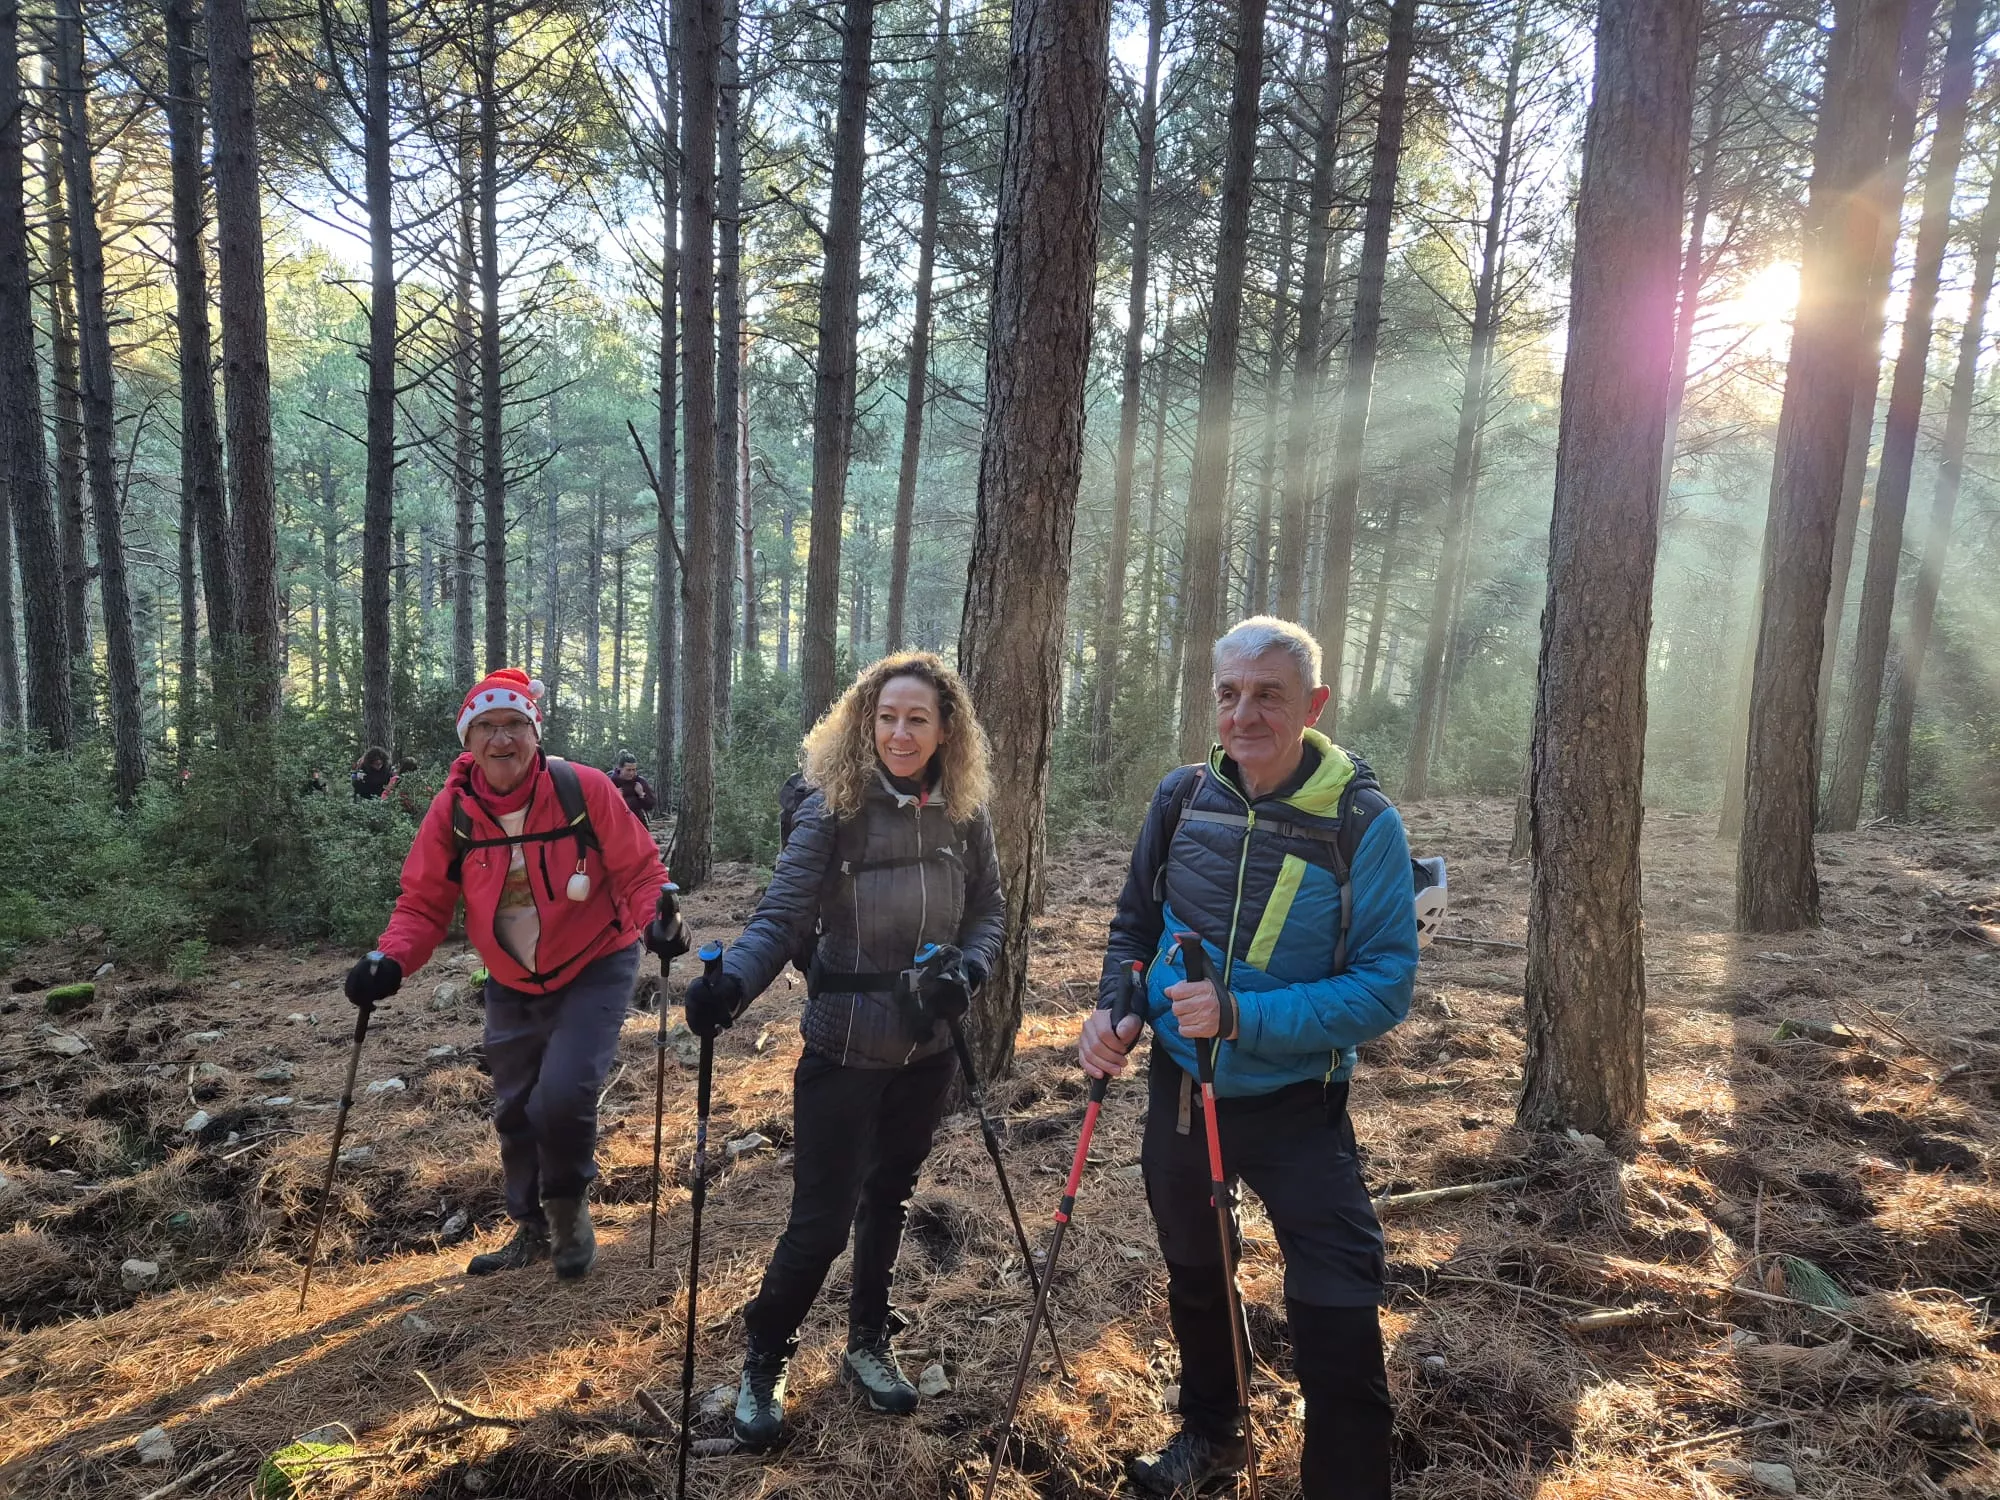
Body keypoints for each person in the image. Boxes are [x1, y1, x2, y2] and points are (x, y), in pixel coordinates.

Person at [1081, 616, 1416, 1500]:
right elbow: (1133, 930)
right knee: (1197, 1272)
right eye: (1229, 694)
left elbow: (1385, 988)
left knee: (1336, 1300)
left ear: (1313, 704)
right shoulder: (1182, 797)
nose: (1245, 714)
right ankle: (1213, 1434)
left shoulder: (1363, 825)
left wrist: (1241, 1016)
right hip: (1184, 1092)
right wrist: (1118, 1006)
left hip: (1301, 1101)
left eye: (1268, 695)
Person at [680, 650, 1004, 1448]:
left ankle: (867, 1343)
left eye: (917, 718)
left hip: (925, 1049)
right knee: (821, 1221)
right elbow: (782, 917)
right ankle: (765, 1356)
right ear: (865, 722)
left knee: (889, 1197)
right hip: (844, 1046)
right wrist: (731, 987)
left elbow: (988, 913)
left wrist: (967, 970)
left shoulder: (964, 811)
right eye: (887, 717)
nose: (900, 731)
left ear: (944, 729)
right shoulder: (832, 806)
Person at [343, 668, 677, 1280]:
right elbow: (422, 904)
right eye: (488, 727)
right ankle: (531, 1229)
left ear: (535, 732)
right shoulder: (452, 812)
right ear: (468, 740)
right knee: (516, 1107)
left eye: (516, 725)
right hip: (511, 976)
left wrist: (659, 917)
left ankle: (568, 1211)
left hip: (596, 960)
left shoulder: (584, 788)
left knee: (565, 1093)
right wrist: (390, 961)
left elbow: (638, 872)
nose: (503, 739)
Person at [607, 751, 655, 824]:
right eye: (628, 770)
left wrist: (642, 795)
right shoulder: (609, 782)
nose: (631, 773)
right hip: (616, 823)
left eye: (634, 769)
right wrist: (615, 797)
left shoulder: (639, 781)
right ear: (620, 768)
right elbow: (601, 807)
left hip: (637, 822)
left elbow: (650, 805)